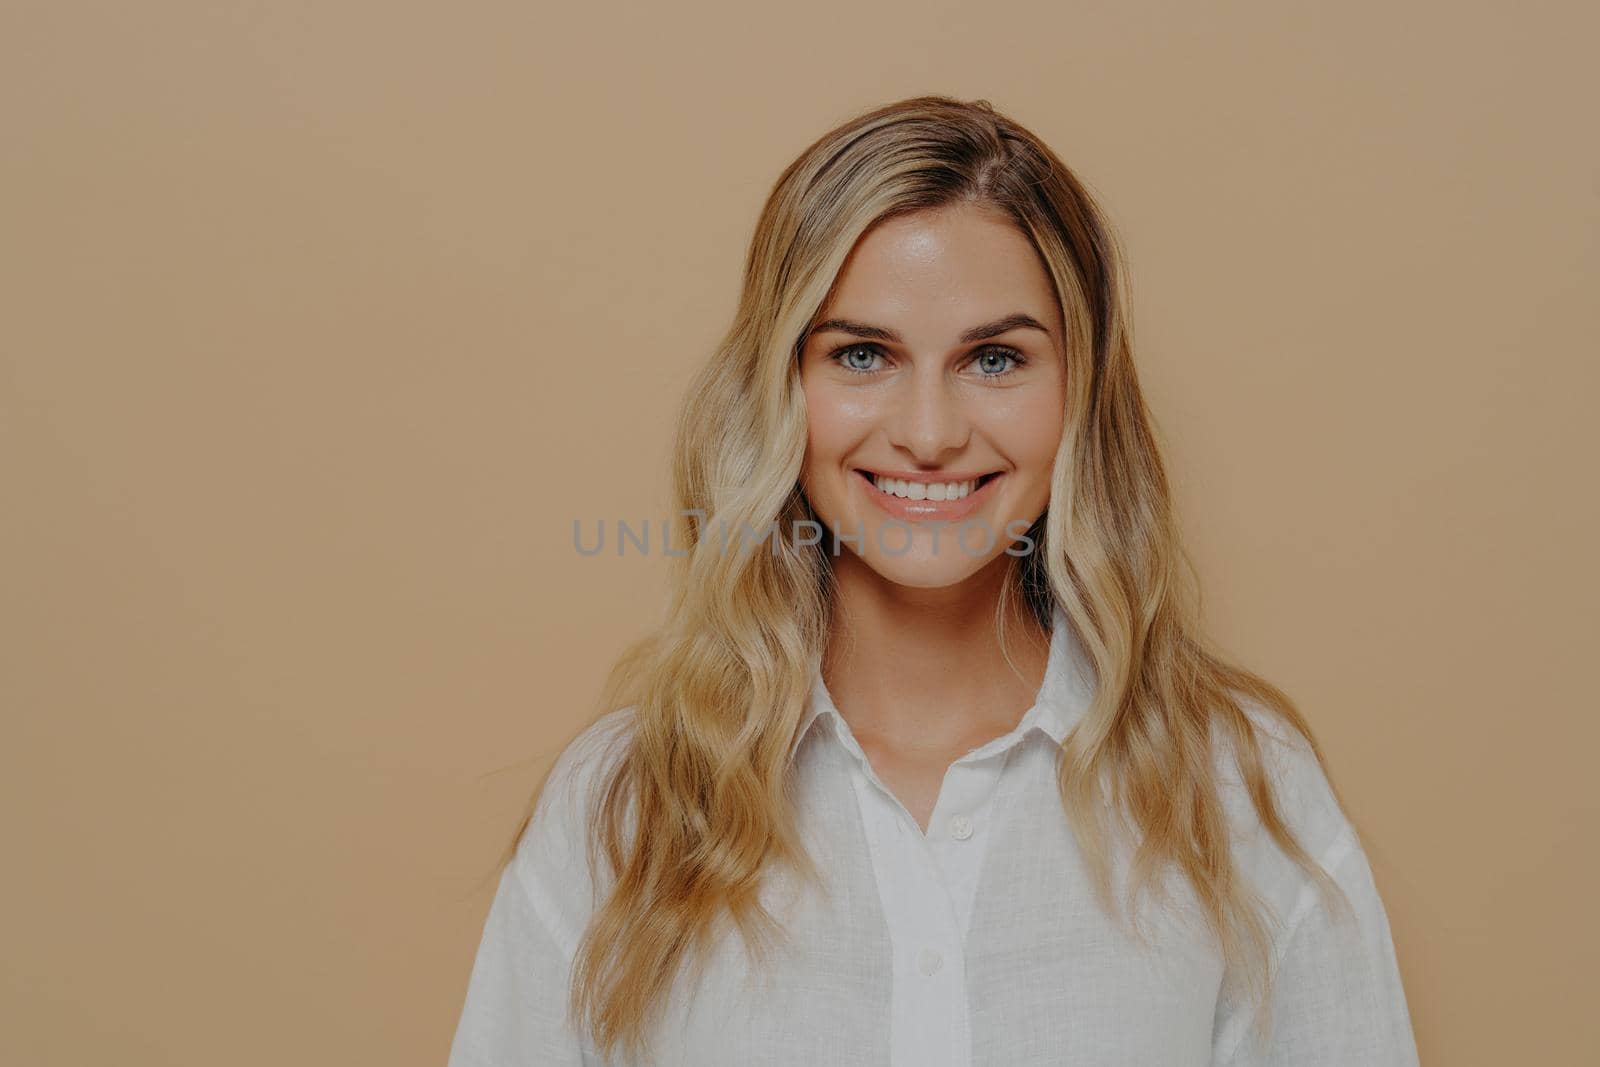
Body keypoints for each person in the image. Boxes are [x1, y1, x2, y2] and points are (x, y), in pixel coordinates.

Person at [446, 96, 1421, 1066]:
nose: (927, 430)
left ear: (1079, 390)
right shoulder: (625, 806)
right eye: (861, 354)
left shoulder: (1240, 789)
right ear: (782, 386)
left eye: (993, 358)